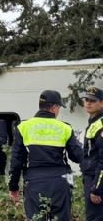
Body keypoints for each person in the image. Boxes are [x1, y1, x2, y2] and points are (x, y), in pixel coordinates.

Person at [8, 90, 83, 220]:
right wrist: (77, 142)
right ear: (54, 107)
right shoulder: (65, 128)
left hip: (34, 183)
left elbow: (16, 161)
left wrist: (13, 186)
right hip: (59, 182)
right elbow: (77, 157)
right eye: (59, 107)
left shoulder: (23, 127)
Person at [80, 87, 103, 220]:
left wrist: (96, 188)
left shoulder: (101, 124)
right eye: (87, 100)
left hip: (96, 179)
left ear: (102, 103)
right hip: (91, 176)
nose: (88, 103)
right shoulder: (94, 122)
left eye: (93, 101)